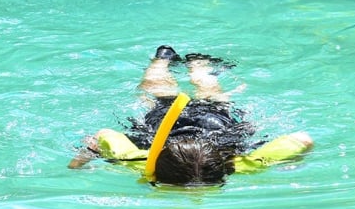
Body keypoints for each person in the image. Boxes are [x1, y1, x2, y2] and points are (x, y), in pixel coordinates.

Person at [68, 46, 313, 187]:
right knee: (159, 94)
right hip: (168, 124)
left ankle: (183, 63)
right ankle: (178, 62)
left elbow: (303, 140)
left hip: (214, 125)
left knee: (213, 98)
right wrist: (81, 160)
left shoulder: (241, 165)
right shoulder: (137, 162)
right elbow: (103, 135)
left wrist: (80, 161)